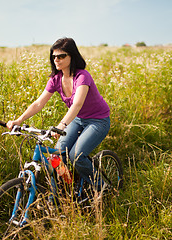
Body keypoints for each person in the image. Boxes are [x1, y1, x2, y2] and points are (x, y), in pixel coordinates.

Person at [7, 37, 110, 191]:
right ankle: (64, 192)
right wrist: (19, 120)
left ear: (72, 56)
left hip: (97, 120)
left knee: (76, 156)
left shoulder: (82, 76)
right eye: (54, 56)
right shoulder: (56, 79)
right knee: (56, 157)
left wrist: (62, 125)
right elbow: (38, 103)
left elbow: (77, 104)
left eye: (61, 56)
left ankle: (103, 188)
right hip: (78, 119)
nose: (57, 59)